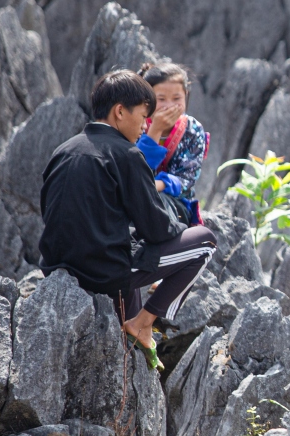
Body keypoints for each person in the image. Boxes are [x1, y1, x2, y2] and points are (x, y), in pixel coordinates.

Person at [39, 70, 217, 371]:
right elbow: (158, 229)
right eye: (143, 116)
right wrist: (179, 227)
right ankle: (145, 323)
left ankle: (132, 339)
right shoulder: (127, 154)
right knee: (205, 242)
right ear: (120, 112)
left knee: (133, 251)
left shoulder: (63, 151)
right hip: (101, 272)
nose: (145, 125)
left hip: (57, 268)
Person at [133, 62, 209, 225]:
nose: (169, 105)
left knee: (157, 207)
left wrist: (153, 185)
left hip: (174, 205)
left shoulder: (193, 130)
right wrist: (155, 131)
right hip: (134, 198)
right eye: (161, 99)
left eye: (176, 98)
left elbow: (186, 181)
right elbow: (133, 170)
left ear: (186, 95)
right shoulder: (135, 124)